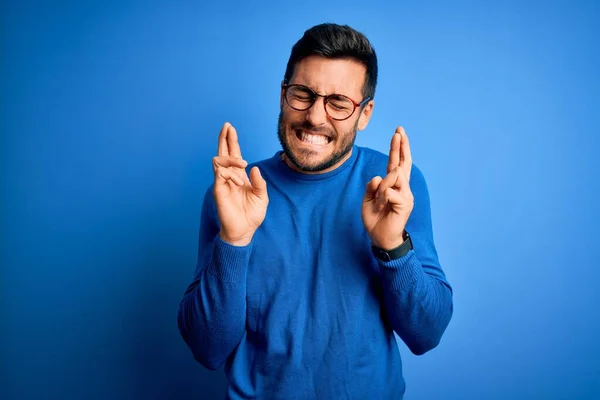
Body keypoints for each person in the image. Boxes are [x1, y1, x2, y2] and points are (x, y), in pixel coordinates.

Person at [178, 22, 453, 399]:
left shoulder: (394, 187)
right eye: (303, 94)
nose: (315, 117)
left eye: (338, 103)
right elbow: (207, 349)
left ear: (365, 113)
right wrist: (234, 240)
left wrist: (392, 245)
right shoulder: (233, 192)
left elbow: (426, 334)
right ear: (282, 94)